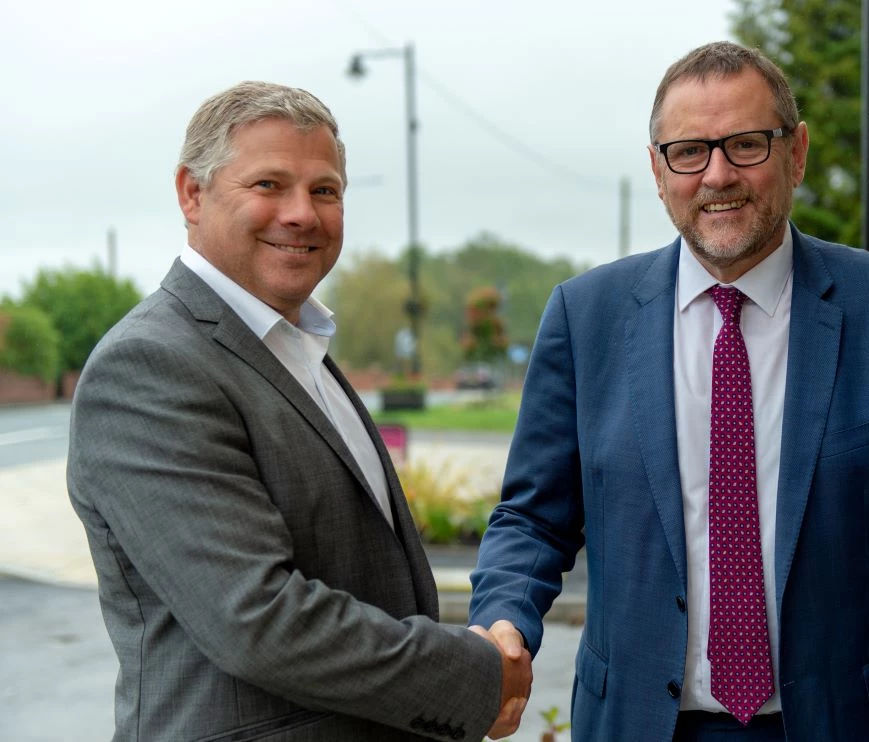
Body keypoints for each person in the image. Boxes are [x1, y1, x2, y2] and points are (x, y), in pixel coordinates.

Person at [469, 41, 869, 741]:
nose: (717, 176)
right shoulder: (585, 318)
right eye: (689, 151)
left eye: (745, 145)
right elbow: (533, 517)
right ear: (656, 168)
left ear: (796, 152)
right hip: (641, 725)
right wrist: (504, 619)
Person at [67, 80, 530, 742]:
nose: (302, 214)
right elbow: (257, 619)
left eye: (325, 191)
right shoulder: (149, 366)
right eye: (268, 186)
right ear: (191, 194)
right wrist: (473, 675)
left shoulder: (297, 347)